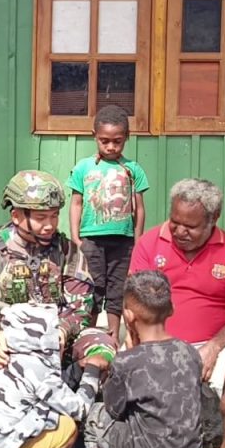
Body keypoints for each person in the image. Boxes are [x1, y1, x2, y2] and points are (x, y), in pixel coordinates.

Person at [0, 170, 117, 416]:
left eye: (54, 215)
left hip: (57, 340)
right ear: (16, 216)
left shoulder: (68, 251)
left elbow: (80, 307)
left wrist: (63, 330)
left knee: (103, 346)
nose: (50, 225)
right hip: (7, 341)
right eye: (41, 218)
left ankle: (85, 421)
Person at [129, 178, 225, 448]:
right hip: (158, 340)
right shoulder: (149, 243)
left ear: (214, 219)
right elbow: (134, 302)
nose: (179, 231)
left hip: (211, 343)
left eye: (191, 226)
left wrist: (214, 347)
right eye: (175, 222)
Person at [0, 303, 109, 448]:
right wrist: (92, 370)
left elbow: (51, 388)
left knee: (47, 412)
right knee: (67, 427)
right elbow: (81, 409)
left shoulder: (10, 359)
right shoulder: (38, 369)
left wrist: (77, 368)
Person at [86, 270, 204, 448]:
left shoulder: (127, 361)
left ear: (128, 316)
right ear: (172, 309)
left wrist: (127, 353)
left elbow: (113, 409)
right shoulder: (190, 353)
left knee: (96, 415)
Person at [68, 105, 149, 340]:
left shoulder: (132, 169)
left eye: (117, 141)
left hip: (123, 241)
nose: (111, 147)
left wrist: (138, 239)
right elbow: (76, 203)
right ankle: (89, 335)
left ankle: (113, 336)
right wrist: (76, 237)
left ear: (127, 137)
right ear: (94, 136)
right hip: (91, 240)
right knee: (93, 286)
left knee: (117, 288)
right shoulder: (84, 167)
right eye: (104, 141)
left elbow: (139, 207)